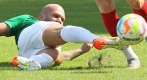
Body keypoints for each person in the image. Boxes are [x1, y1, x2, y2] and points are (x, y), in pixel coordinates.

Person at [0, 4, 128, 71]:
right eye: (56, 16)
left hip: (26, 55)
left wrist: (81, 51)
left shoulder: (55, 43)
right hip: (29, 35)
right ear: (42, 17)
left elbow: (64, 56)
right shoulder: (28, 20)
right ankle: (95, 38)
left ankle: (35, 63)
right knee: (62, 31)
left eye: (62, 19)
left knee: (55, 56)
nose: (59, 20)